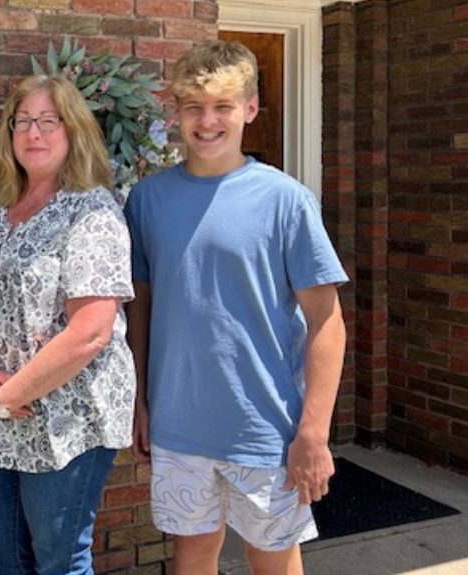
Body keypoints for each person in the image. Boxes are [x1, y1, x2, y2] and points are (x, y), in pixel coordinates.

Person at [124, 40, 348, 575]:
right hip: (178, 423)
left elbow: (326, 320)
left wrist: (313, 432)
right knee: (192, 556)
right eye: (193, 107)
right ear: (175, 111)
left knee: (272, 560)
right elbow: (142, 312)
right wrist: (139, 403)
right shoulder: (147, 200)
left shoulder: (285, 200)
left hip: (265, 426)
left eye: (222, 106)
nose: (207, 121)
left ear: (249, 109)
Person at [0, 74, 135, 575]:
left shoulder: (93, 211)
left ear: (73, 131)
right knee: (3, 553)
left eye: (48, 122)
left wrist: (7, 396)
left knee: (59, 559)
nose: (34, 133)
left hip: (66, 416)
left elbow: (91, 332)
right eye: (23, 122)